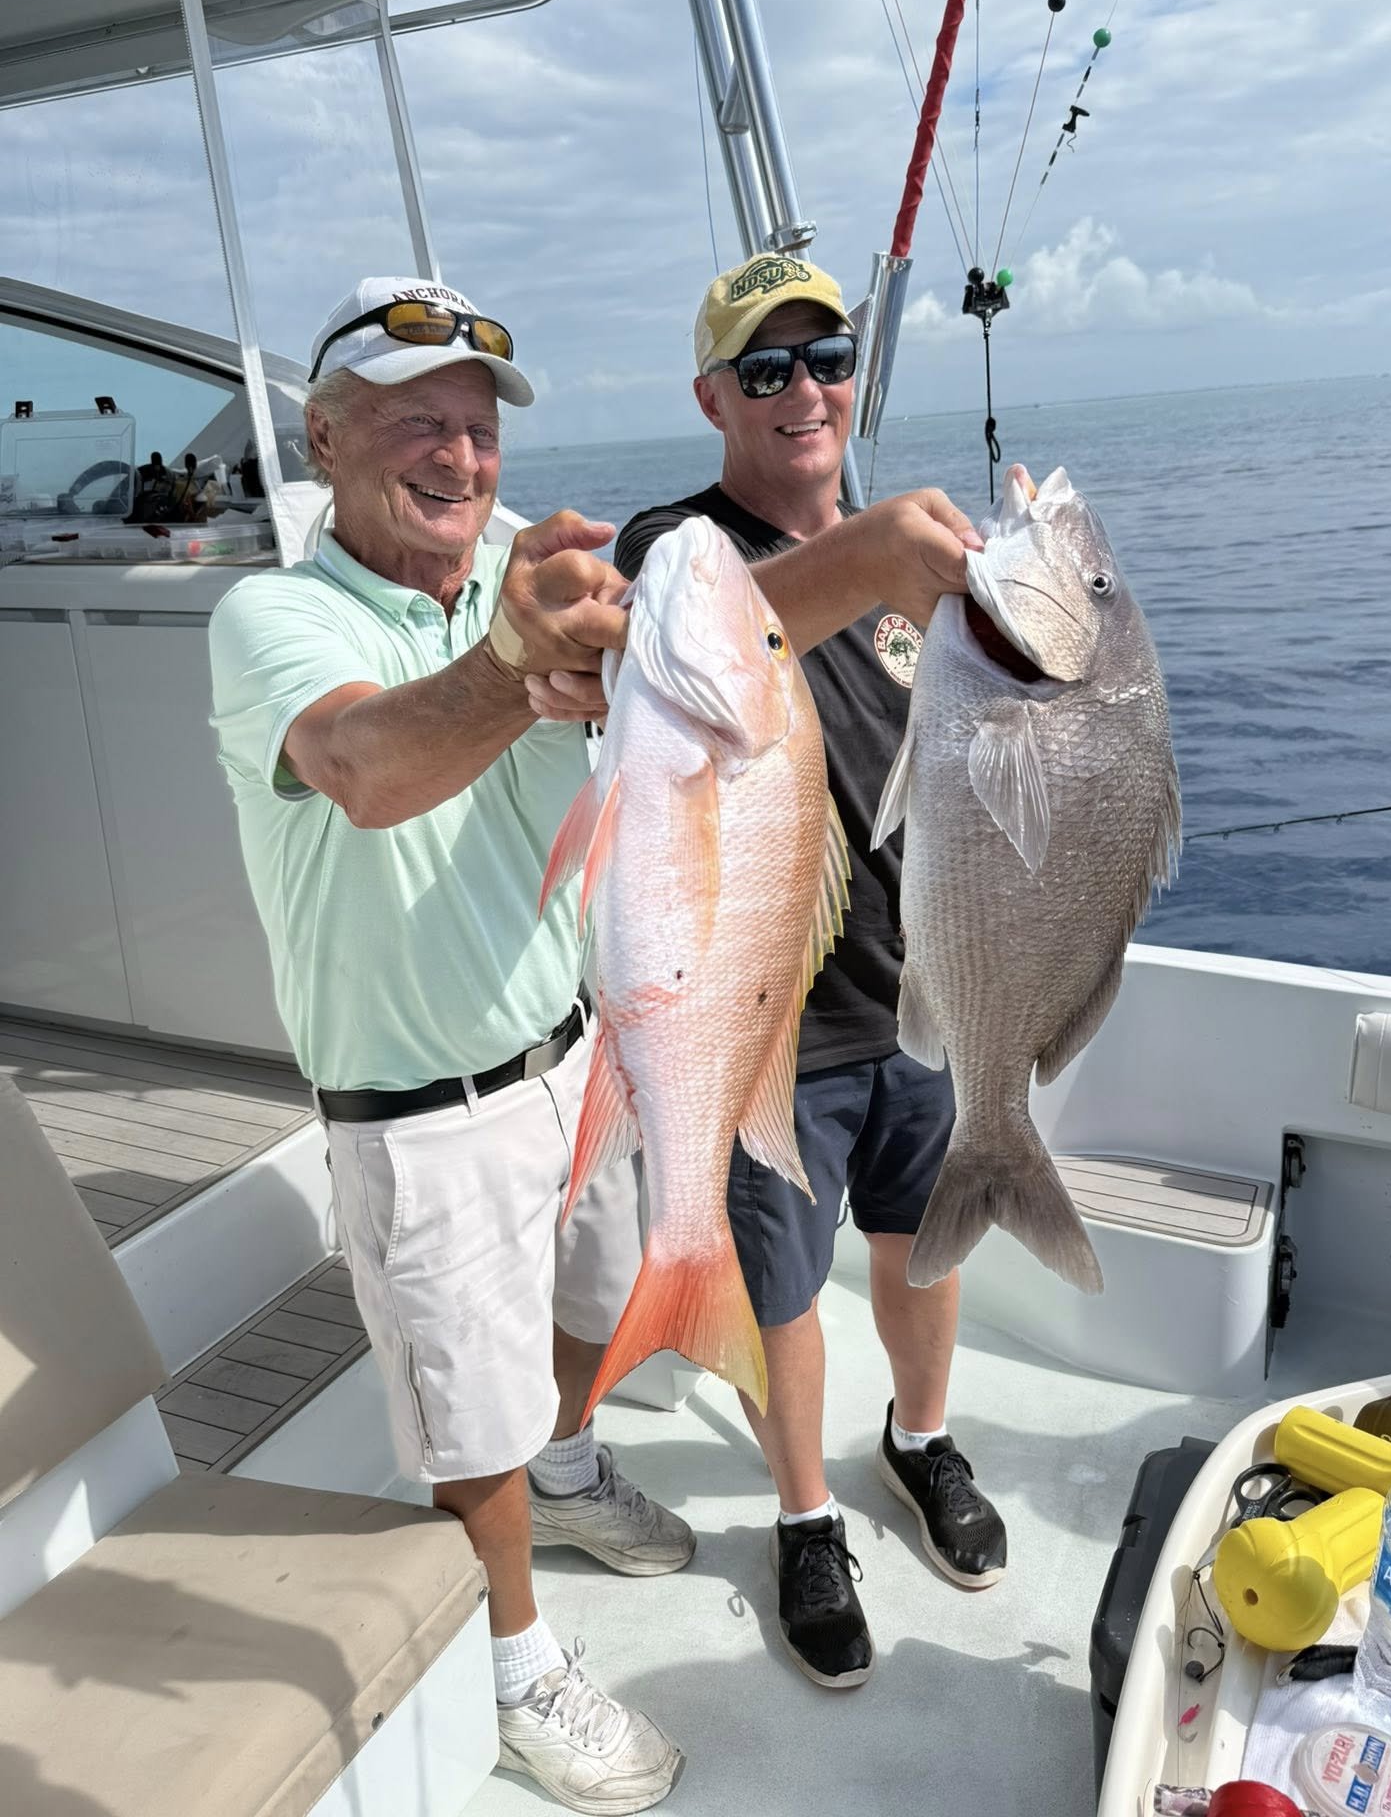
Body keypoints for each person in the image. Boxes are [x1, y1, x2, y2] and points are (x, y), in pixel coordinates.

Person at [208, 275, 981, 1805]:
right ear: (326, 436)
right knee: (465, 1410)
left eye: (480, 429)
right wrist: (511, 669)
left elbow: (712, 647)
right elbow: (366, 763)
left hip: (590, 1050)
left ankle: (567, 1463)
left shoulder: (518, 561)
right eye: (418, 423)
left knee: (605, 1290)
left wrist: (814, 581)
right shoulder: (270, 620)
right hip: (419, 1108)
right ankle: (516, 1663)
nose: (461, 457)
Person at [616, 255, 1007, 1694]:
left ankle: (917, 1441)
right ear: (711, 396)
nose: (803, 392)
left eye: (826, 358)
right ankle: (803, 1521)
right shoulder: (678, 549)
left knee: (924, 1249)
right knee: (784, 1292)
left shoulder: (915, 578)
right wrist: (876, 559)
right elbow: (688, 641)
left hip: (926, 998)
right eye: (765, 370)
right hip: (770, 1026)